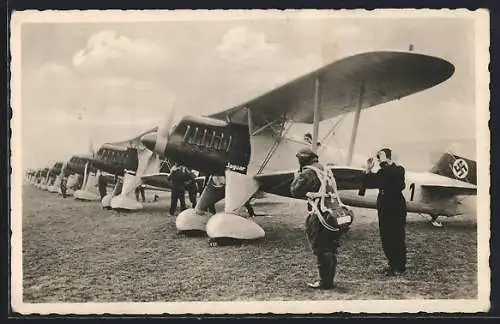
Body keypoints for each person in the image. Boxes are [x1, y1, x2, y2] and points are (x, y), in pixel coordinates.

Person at [290, 147, 353, 290]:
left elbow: (294, 190)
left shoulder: (308, 172)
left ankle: (325, 282)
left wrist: (296, 176)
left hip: (320, 215)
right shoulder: (326, 170)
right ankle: (329, 280)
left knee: (321, 248)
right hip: (334, 213)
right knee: (331, 247)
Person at [363, 148, 407, 276]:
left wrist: (382, 164)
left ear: (388, 157)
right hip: (384, 203)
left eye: (381, 156)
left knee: (397, 235)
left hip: (396, 204)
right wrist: (368, 169)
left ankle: (400, 266)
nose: (378, 159)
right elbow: (369, 183)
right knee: (385, 235)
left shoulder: (398, 169)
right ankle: (392, 264)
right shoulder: (382, 172)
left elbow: (391, 176)